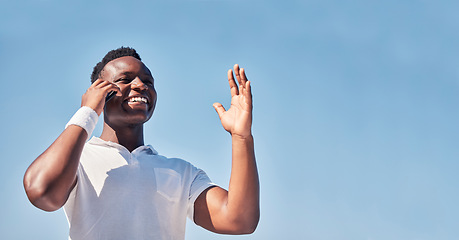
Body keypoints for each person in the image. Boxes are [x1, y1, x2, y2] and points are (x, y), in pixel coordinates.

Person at [23, 47, 259, 240]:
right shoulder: (77, 159)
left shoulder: (181, 172)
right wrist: (87, 112)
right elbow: (42, 192)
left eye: (148, 81)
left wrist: (241, 138)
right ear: (98, 92)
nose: (141, 85)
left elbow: (239, 220)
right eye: (125, 79)